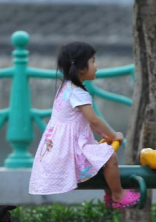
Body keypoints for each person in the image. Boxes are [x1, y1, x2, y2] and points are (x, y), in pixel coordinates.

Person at [29, 41, 140, 209]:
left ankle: (109, 195)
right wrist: (112, 134)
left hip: (61, 147)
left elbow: (81, 120)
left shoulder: (65, 88)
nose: (96, 66)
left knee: (100, 158)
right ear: (81, 68)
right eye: (93, 61)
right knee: (110, 158)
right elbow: (93, 119)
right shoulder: (78, 93)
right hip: (71, 149)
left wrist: (100, 133)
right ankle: (118, 193)